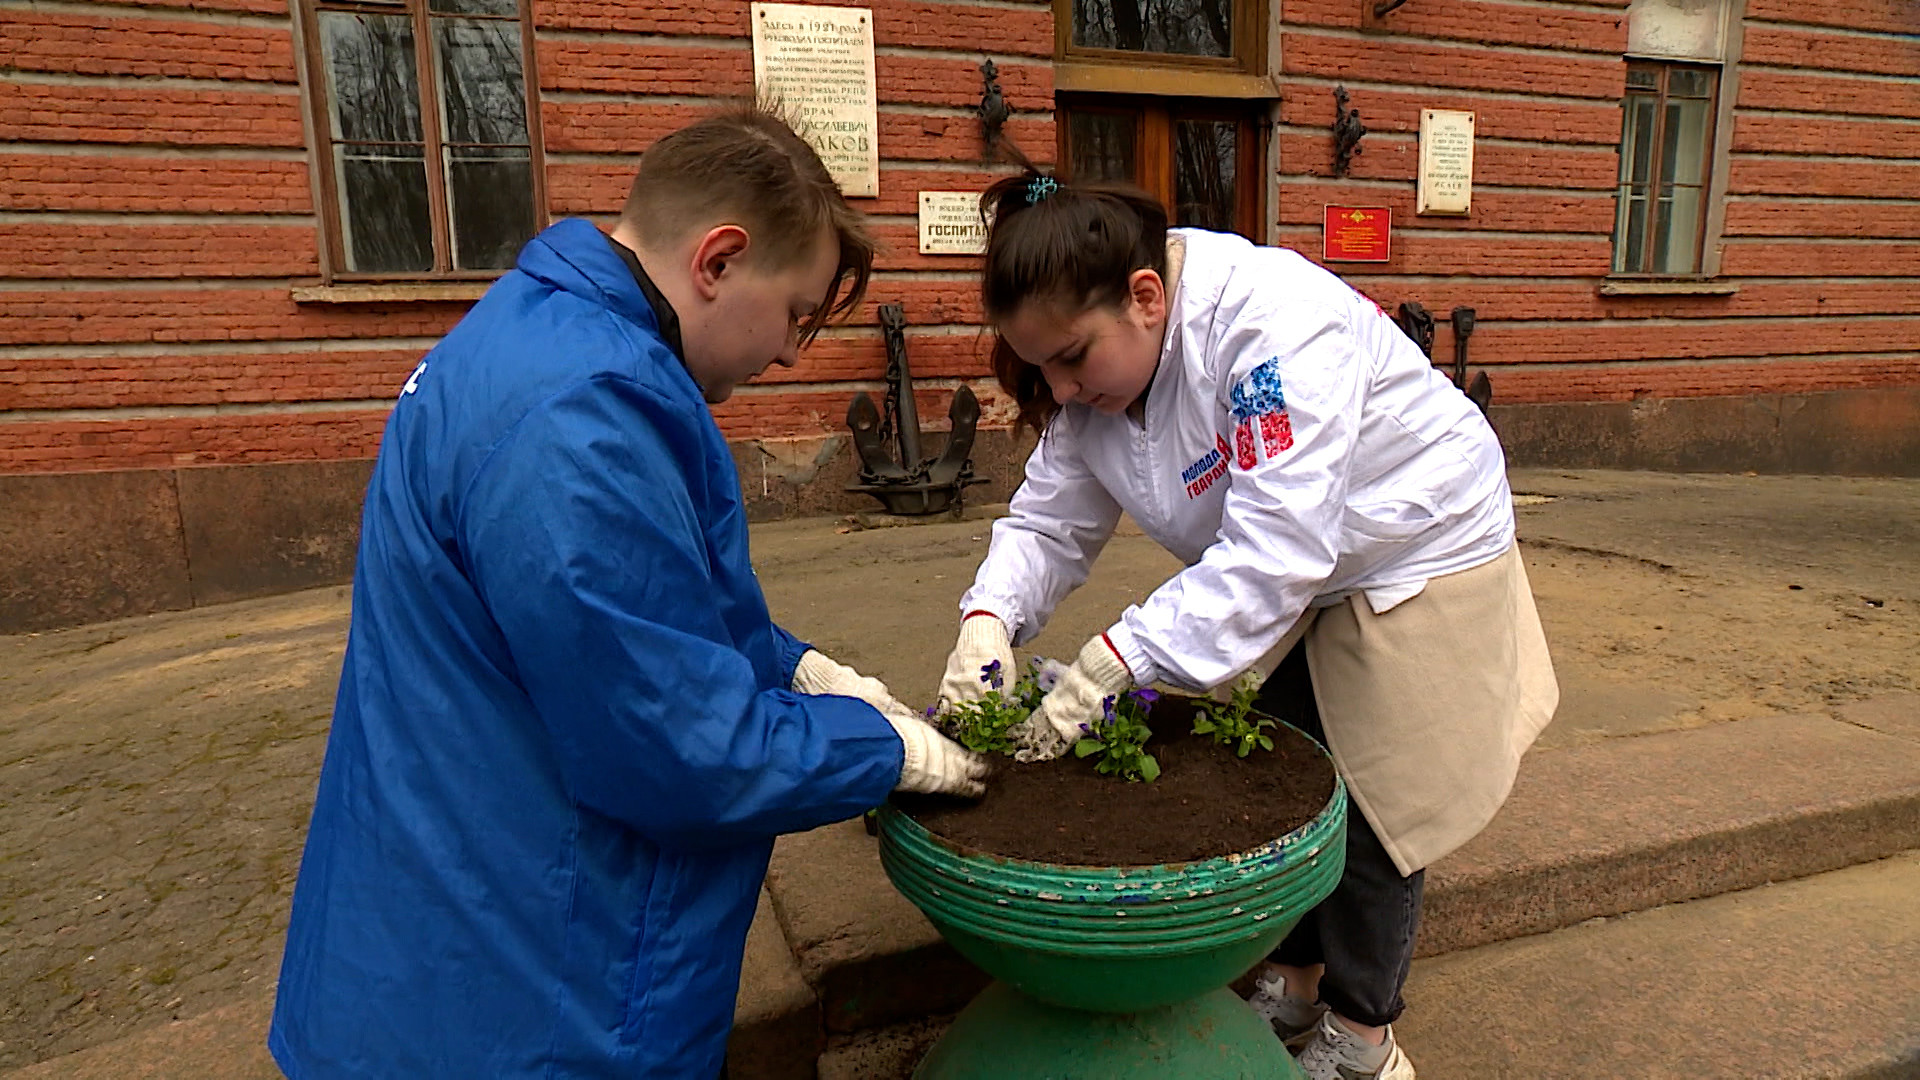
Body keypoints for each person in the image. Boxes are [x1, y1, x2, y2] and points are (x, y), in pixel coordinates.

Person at [270, 108, 986, 1080]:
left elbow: (610, 615)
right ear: (720, 260)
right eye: (795, 313)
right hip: (529, 1003)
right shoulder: (582, 418)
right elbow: (680, 753)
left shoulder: (530, 343)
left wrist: (797, 666)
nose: (788, 353)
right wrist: (881, 748)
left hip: (440, 944)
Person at [936, 172, 1557, 1080]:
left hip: (1417, 544)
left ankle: (1363, 1039)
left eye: (1072, 358)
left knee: (1380, 807)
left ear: (1145, 298)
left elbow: (1276, 549)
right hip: (1311, 565)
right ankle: (1299, 989)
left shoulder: (1270, 331)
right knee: (1293, 770)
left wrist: (1122, 657)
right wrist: (989, 619)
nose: (1060, 389)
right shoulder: (1094, 382)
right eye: (1042, 369)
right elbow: (1047, 523)